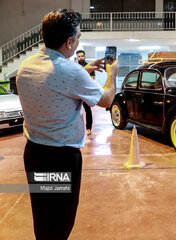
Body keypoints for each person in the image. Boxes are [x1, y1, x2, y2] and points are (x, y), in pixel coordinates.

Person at [16, 9, 119, 240]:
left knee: (43, 215)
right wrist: (112, 75)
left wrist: (84, 70)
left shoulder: (26, 67)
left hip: (34, 154)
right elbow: (106, 100)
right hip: (60, 159)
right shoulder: (71, 72)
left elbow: (54, 82)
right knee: (60, 221)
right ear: (70, 41)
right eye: (79, 37)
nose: (79, 41)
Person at [76, 50, 95, 136]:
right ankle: (76, 128)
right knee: (75, 111)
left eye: (82, 56)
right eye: (79, 56)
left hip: (85, 93)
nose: (81, 57)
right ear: (77, 57)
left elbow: (91, 80)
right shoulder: (74, 67)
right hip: (75, 92)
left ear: (85, 56)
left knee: (88, 110)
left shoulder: (90, 67)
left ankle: (88, 128)